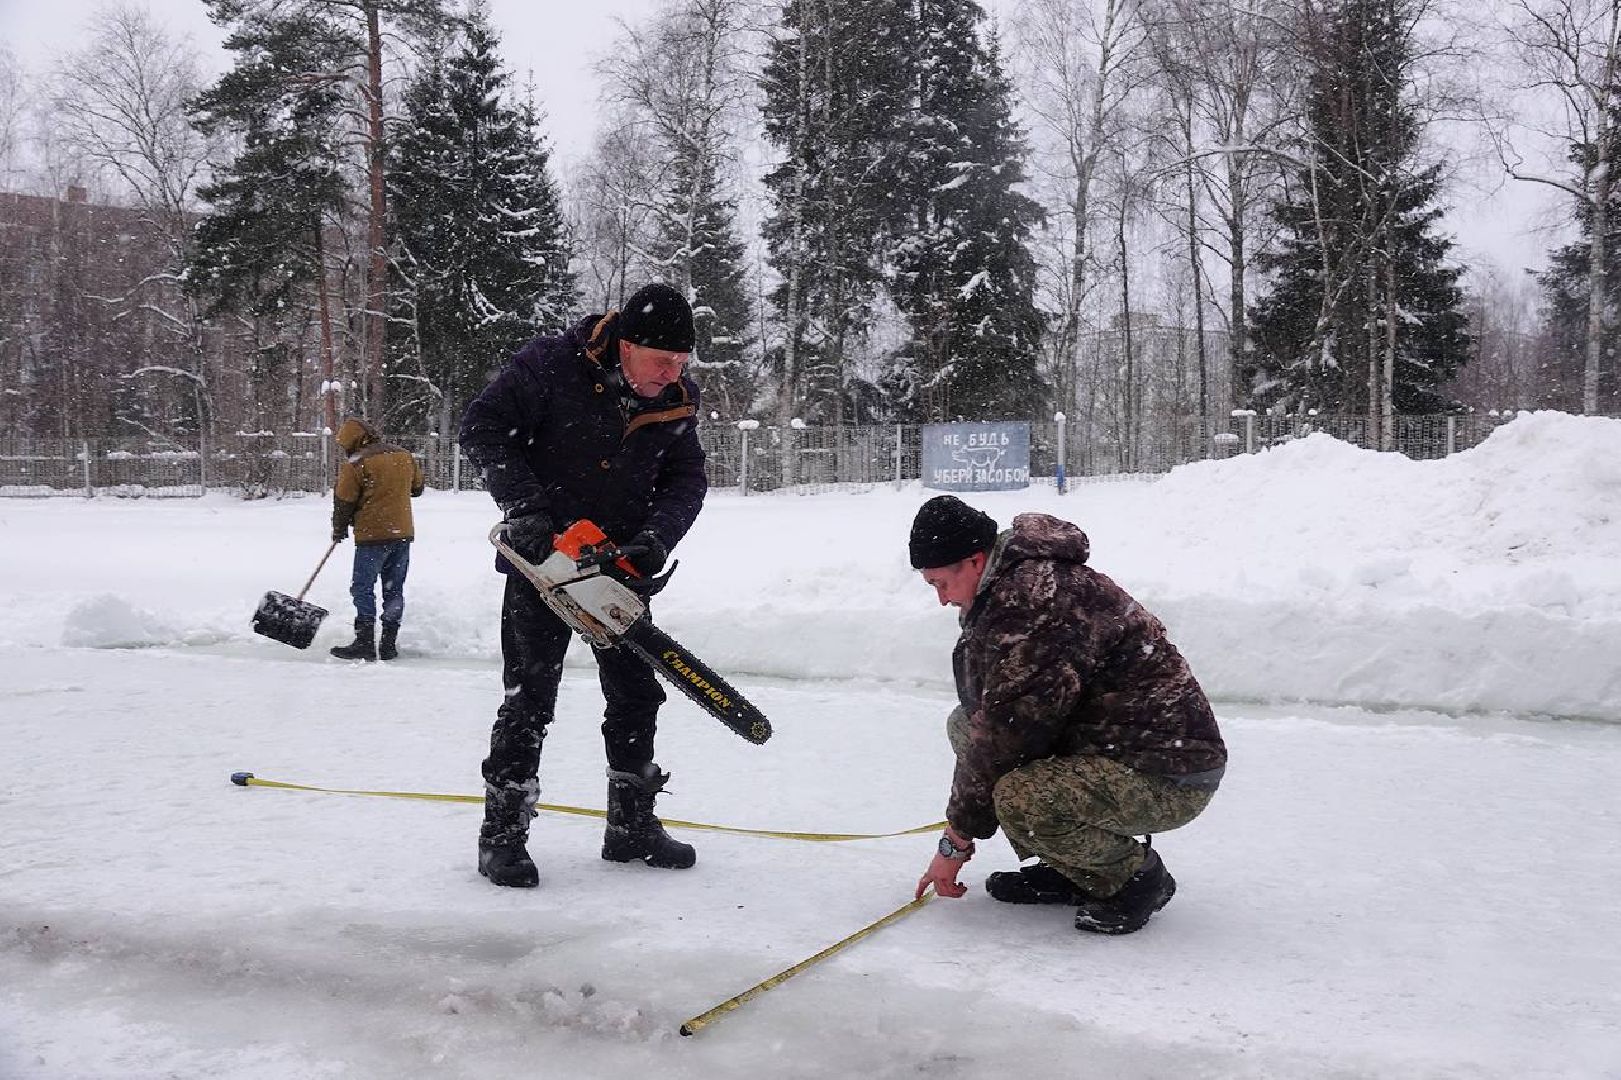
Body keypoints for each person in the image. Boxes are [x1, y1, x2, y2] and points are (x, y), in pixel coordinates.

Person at [458, 282, 708, 889]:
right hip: (543, 566)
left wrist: (657, 537)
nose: (671, 373)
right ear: (626, 343)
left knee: (635, 695)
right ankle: (502, 837)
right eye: (661, 360)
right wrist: (528, 509)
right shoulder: (549, 365)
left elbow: (687, 479)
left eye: (680, 362)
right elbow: (483, 429)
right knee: (529, 699)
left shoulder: (675, 400)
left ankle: (631, 824)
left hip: (619, 571)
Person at [908, 495, 1226, 935]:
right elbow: (989, 718)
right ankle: (1073, 868)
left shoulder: (1032, 604)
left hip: (1166, 772)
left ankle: (1135, 878)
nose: (942, 599)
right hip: (1107, 748)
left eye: (941, 583)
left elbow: (1008, 735)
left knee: (1021, 795)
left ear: (975, 561)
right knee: (965, 727)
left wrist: (955, 841)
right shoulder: (1005, 587)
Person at [328, 416, 425, 662]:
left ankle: (364, 642)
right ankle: (389, 644)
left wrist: (339, 529)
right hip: (402, 534)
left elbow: (344, 501)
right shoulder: (404, 455)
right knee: (394, 589)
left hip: (372, 536)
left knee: (363, 587)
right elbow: (418, 488)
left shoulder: (357, 463)